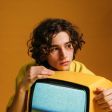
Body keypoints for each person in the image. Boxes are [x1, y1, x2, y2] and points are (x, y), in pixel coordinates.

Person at [7, 18, 112, 112]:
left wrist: (109, 100)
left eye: (68, 45)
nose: (64, 55)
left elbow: (104, 96)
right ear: (43, 52)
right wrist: (22, 88)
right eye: (54, 49)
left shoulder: (79, 69)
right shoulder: (29, 71)